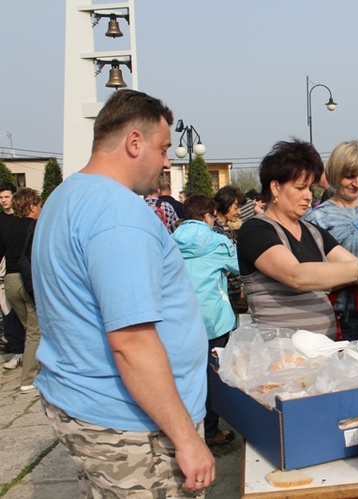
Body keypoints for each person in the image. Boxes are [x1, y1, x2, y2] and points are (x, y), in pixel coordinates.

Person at [32, 89, 215, 496]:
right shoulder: (118, 215)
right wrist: (186, 439)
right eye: (164, 149)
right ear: (134, 142)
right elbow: (131, 342)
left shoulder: (65, 196)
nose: (167, 162)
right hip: (133, 427)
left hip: (88, 404)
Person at [237, 139, 358, 338]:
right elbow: (295, 275)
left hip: (324, 351)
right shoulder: (256, 230)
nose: (308, 196)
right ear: (275, 187)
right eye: (300, 188)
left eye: (310, 188)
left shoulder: (312, 231)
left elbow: (356, 264)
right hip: (282, 354)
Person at [303, 140, 358, 350]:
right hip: (345, 315)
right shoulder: (317, 218)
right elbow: (317, 275)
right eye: (350, 176)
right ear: (335, 173)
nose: (357, 183)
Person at [172, 194, 238, 447]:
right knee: (213, 377)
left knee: (186, 375)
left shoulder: (168, 240)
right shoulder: (218, 242)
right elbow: (238, 267)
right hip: (214, 319)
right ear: (206, 215)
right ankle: (210, 429)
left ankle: (185, 426)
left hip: (180, 319)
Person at [0, 187, 41, 393]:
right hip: (28, 280)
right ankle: (28, 378)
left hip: (10, 281)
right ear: (32, 206)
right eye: (39, 204)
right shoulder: (36, 226)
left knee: (29, 329)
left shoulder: (6, 226)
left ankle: (38, 367)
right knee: (36, 331)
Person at [0, 182, 25, 366]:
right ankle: (17, 350)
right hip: (5, 274)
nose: (3, 201)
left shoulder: (21, 219)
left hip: (21, 272)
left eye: (6, 197)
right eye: (1, 197)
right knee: (8, 313)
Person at [213, 186, 247, 311]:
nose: (239, 212)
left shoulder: (224, 229)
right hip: (224, 292)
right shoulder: (217, 233)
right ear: (225, 205)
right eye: (236, 208)